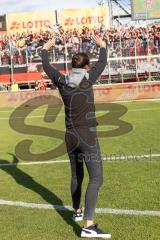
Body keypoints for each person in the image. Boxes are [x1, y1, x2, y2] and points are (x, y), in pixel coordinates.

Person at [41, 34, 111, 239]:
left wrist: (45, 50)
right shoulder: (88, 78)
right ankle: (89, 226)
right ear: (87, 66)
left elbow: (47, 68)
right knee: (96, 178)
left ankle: (76, 212)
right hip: (86, 134)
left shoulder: (62, 80)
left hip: (70, 135)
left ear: (72, 66)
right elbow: (103, 61)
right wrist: (102, 45)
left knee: (76, 175)